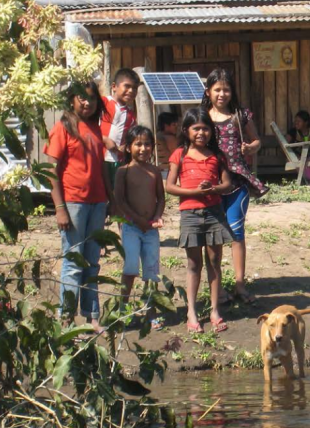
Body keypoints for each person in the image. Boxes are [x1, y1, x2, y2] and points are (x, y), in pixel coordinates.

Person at [44, 80, 113, 331]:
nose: (87, 103)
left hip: (97, 202)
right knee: (73, 261)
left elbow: (102, 167)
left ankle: (92, 316)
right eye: (82, 98)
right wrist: (59, 207)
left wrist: (111, 200)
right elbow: (51, 170)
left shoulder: (94, 127)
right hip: (73, 203)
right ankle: (66, 320)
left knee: (92, 260)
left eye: (92, 99)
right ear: (72, 99)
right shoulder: (63, 127)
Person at [164, 108, 234, 334]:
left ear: (211, 131)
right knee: (194, 264)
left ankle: (214, 310)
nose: (201, 133)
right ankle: (191, 311)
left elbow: (227, 184)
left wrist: (213, 189)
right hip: (190, 215)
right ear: (186, 130)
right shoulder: (180, 155)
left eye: (205, 128)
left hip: (214, 213)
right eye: (196, 128)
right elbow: (170, 186)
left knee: (215, 262)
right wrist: (194, 192)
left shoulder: (217, 156)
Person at [200, 67, 266, 305]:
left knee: (237, 233)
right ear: (208, 91)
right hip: (210, 184)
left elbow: (258, 139)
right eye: (217, 89)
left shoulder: (241, 115)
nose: (222, 94)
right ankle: (216, 288)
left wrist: (252, 147)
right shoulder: (202, 116)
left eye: (226, 89)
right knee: (213, 236)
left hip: (237, 182)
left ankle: (239, 284)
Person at [114, 125, 165, 313]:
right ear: (128, 147)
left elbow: (161, 198)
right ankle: (122, 309)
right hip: (131, 228)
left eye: (147, 144)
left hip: (151, 229)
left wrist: (157, 216)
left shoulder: (155, 171)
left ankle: (150, 310)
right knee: (130, 269)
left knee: (151, 272)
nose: (143, 149)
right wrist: (137, 220)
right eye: (138, 144)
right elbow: (119, 200)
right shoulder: (123, 171)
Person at [100, 68, 139, 201]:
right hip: (100, 158)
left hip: (118, 161)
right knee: (101, 193)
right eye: (127, 86)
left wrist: (126, 146)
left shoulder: (131, 115)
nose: (131, 91)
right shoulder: (102, 104)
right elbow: (88, 129)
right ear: (114, 87)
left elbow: (131, 136)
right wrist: (104, 139)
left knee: (118, 195)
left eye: (134, 88)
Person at [286, 110, 310, 184]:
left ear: (306, 123)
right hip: (296, 158)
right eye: (295, 121)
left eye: (299, 121)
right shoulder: (292, 132)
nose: (296, 123)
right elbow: (285, 146)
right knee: (300, 161)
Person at [155, 111, 180, 176]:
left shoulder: (157, 135)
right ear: (166, 126)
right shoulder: (170, 138)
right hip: (168, 171)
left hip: (159, 170)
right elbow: (177, 155)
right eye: (174, 125)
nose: (176, 127)